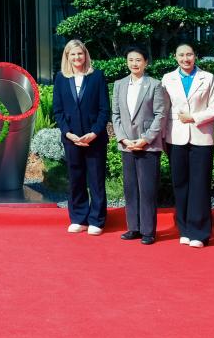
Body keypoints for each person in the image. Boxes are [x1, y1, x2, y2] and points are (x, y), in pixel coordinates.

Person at [160, 44, 214, 248]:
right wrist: (161, 137)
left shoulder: (208, 78)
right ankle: (184, 229)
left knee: (200, 184)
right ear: (175, 57)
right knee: (180, 184)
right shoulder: (168, 78)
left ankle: (200, 232)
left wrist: (194, 117)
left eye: (189, 54)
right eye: (181, 55)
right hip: (175, 137)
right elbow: (163, 109)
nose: (185, 58)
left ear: (195, 56)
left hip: (201, 136)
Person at [52, 39, 111, 235]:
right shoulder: (61, 78)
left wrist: (94, 133)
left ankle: (97, 220)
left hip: (94, 138)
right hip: (72, 138)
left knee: (96, 179)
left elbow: (104, 109)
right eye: (73, 54)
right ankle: (79, 218)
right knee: (76, 179)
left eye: (80, 53)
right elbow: (58, 110)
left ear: (85, 55)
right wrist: (68, 133)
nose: (77, 57)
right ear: (67, 57)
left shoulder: (97, 76)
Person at [110, 46, 167, 245]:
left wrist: (146, 139)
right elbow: (115, 114)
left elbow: (160, 115)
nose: (134, 63)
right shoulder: (119, 84)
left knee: (147, 189)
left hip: (147, 145)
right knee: (131, 188)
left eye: (138, 60)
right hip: (127, 145)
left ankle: (148, 231)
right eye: (131, 60)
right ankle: (133, 227)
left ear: (146, 62)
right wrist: (123, 138)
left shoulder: (155, 85)